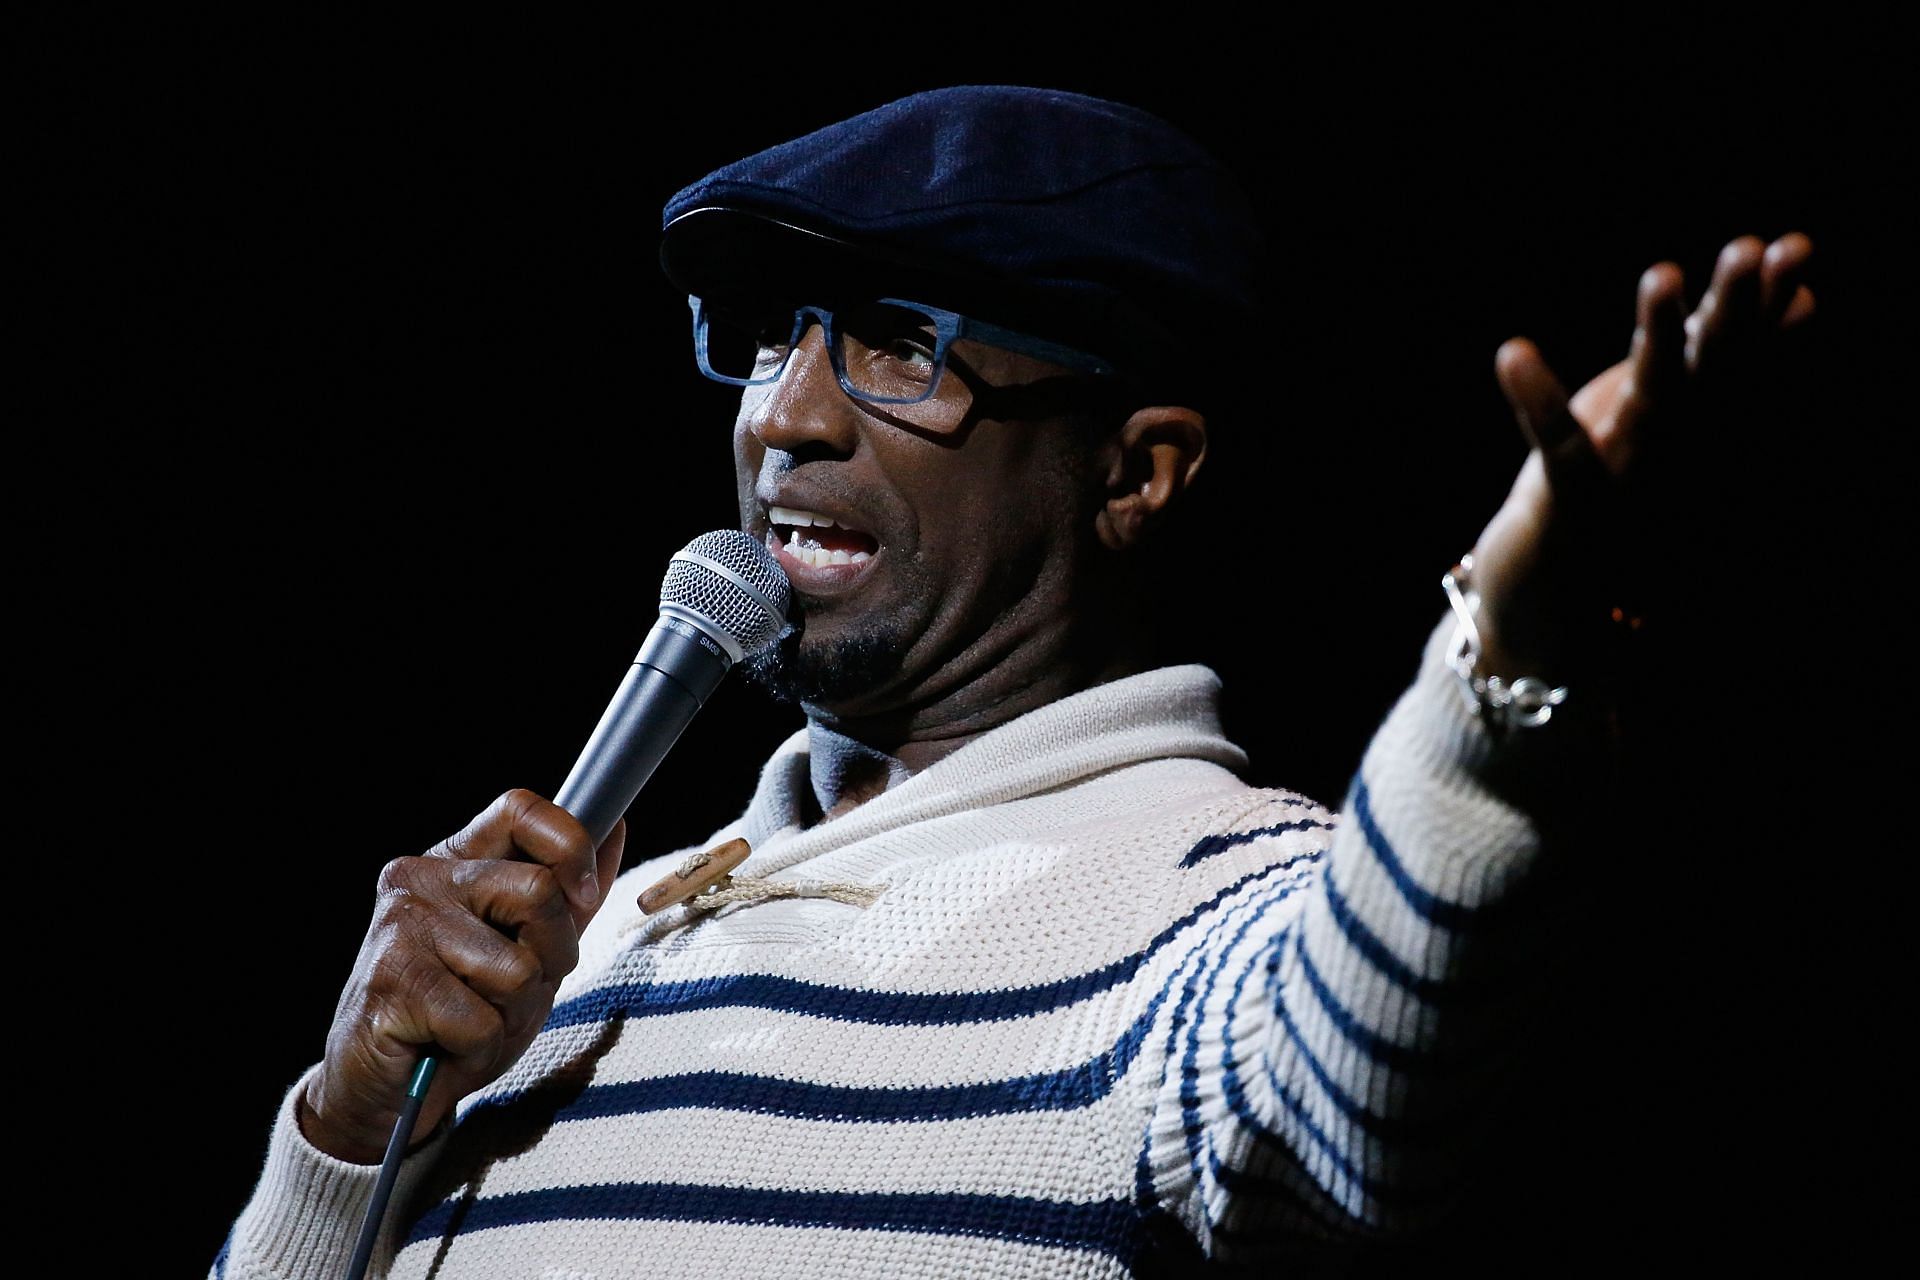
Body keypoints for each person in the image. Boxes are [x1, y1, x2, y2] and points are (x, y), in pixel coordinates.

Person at [211, 86, 1816, 1277]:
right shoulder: (589, 943)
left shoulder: (1210, 910)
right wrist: (352, 1136)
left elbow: (1371, 1063)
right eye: (773, 335)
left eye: (903, 342)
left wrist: (1501, 674)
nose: (788, 416)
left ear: (1136, 472)